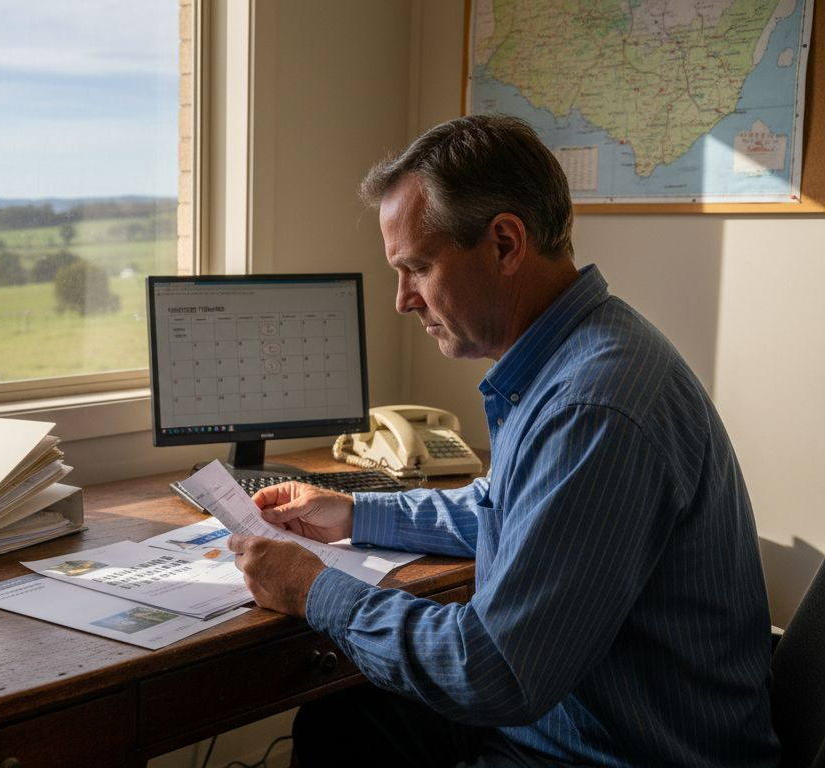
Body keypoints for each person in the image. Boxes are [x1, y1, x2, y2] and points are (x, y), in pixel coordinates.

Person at [226, 114, 777, 767]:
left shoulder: (591, 407)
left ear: (506, 245)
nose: (403, 300)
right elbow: (511, 510)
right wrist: (353, 512)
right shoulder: (575, 355)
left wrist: (311, 587)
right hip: (576, 722)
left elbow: (493, 673)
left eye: (418, 267)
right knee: (345, 719)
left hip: (615, 753)